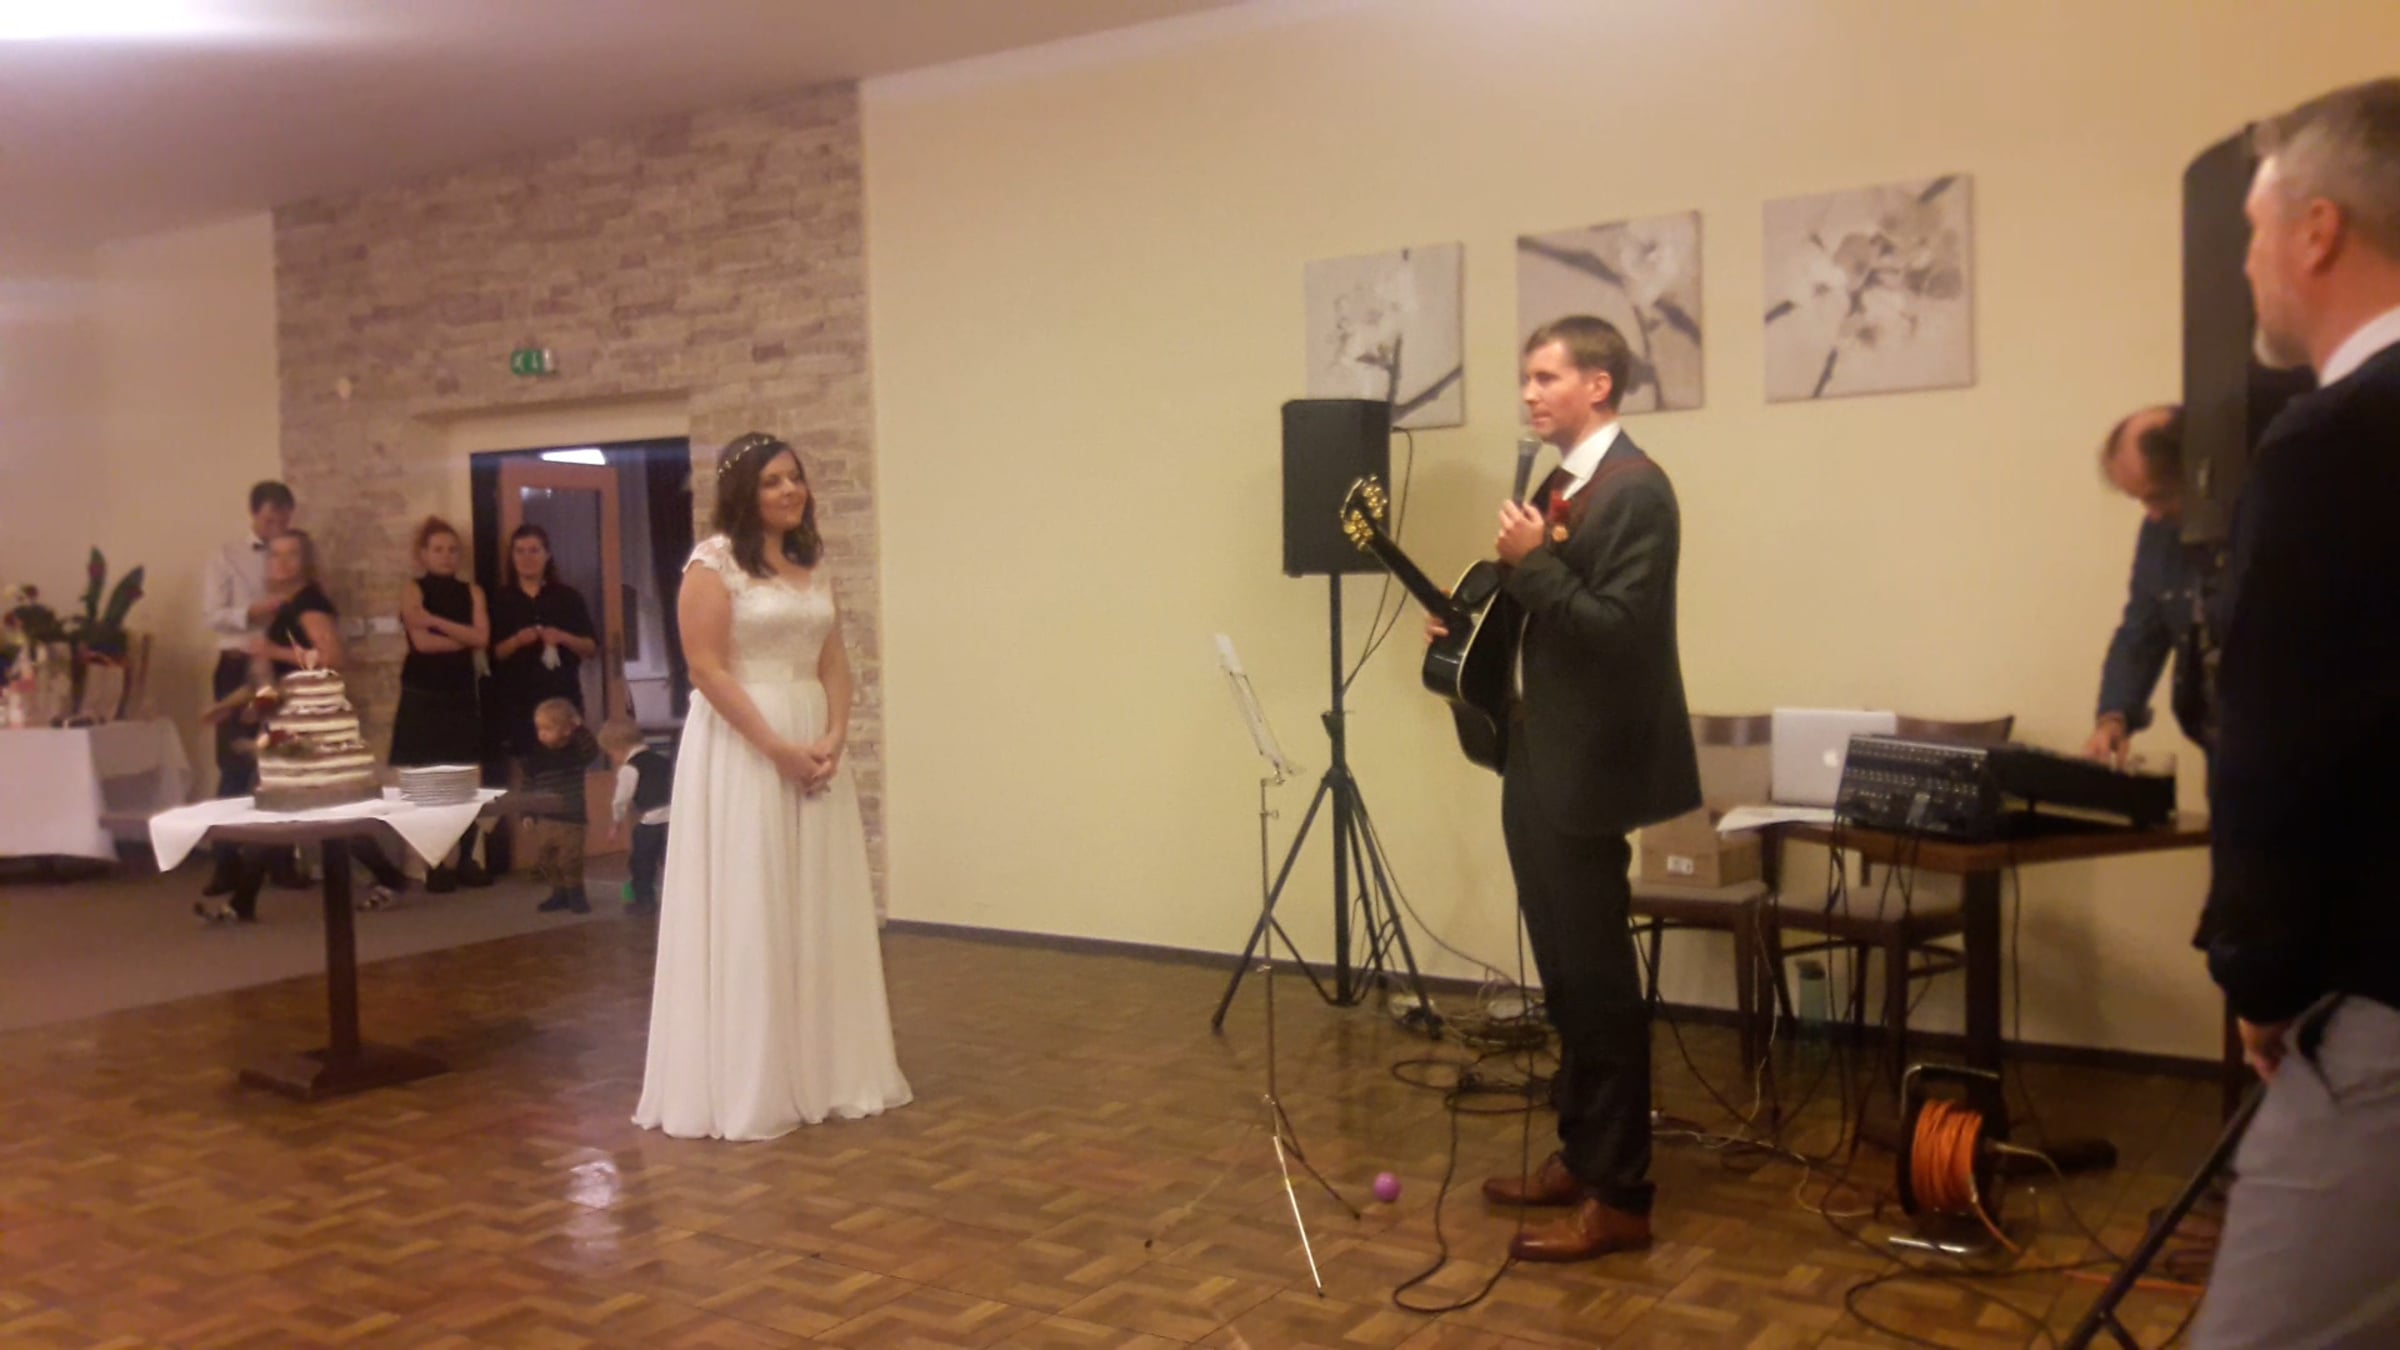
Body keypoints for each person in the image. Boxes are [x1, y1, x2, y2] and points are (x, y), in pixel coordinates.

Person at [2188, 77, 2400, 1350]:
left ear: (2319, 231)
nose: (2248, 263)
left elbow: (2281, 753)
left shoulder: (2336, 441)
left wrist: (2260, 980)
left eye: (2256, 229)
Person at [1434, 317, 1700, 1262]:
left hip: (1589, 770)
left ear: (1599, 385)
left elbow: (1617, 629)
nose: (1529, 393)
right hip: (1537, 757)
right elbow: (1545, 622)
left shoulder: (1637, 491)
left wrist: (1531, 564)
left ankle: (1622, 1195)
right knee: (1563, 975)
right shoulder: (1560, 489)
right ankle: (1582, 1157)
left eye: (1547, 377)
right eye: (1526, 378)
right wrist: (1468, 626)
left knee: (1597, 982)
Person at [634, 431, 909, 1140]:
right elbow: (706, 668)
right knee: (753, 895)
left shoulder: (811, 561)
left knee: (815, 898)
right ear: (743, 492)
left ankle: (825, 1069)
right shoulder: (714, 563)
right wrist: (776, 748)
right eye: (772, 481)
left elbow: (833, 659)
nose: (790, 491)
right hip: (744, 743)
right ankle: (752, 1079)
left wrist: (835, 733)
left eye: (795, 478)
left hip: (811, 737)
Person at [197, 530, 410, 922]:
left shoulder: (309, 604)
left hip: (311, 727)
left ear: (305, 561)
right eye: (275, 555)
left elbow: (332, 656)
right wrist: (228, 706)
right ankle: (244, 900)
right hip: (289, 721)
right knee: (287, 812)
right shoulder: (285, 608)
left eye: (291, 554)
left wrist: (273, 650)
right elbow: (271, 677)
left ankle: (245, 900)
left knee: (304, 811)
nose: (282, 562)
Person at [2082, 405, 2215, 766]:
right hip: (2219, 746)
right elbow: (2141, 630)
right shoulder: (2160, 531)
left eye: (2158, 495)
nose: (2152, 514)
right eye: (2140, 499)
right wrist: (2114, 716)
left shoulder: (2260, 520)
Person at [197, 480, 298, 898]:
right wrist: (251, 612)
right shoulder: (226, 555)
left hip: (280, 665)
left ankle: (282, 861)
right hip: (238, 666)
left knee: (282, 763)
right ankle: (226, 863)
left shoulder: (294, 556)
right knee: (236, 765)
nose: (277, 527)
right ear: (254, 515)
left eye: (284, 519)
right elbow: (212, 615)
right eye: (270, 519)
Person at [390, 516, 493, 890]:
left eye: (452, 550)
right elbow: (423, 644)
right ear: (423, 554)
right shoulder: (412, 589)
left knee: (464, 782)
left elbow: (482, 637)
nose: (446, 556)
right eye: (438, 549)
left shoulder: (472, 592)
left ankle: (467, 858)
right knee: (429, 785)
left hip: (460, 692)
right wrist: (463, 638)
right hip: (423, 694)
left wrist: (435, 620)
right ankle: (434, 862)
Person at [518, 697, 599, 915]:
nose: (542, 734)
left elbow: (591, 750)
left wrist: (579, 727)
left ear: (565, 730)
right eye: (539, 729)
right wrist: (527, 812)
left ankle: (576, 894)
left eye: (548, 729)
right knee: (548, 858)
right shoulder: (535, 756)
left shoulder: (576, 753)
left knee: (570, 859)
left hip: (572, 819)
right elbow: (528, 785)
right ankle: (559, 893)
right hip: (545, 818)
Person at [598, 717, 671, 915]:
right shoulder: (664, 761)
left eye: (611, 753)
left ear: (617, 748)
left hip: (651, 822)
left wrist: (616, 822)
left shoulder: (630, 768)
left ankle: (645, 901)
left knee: (641, 863)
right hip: (674, 821)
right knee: (671, 862)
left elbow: (621, 799)